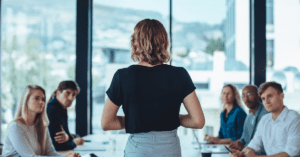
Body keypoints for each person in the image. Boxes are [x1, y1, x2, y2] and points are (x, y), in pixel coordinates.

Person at [101, 19, 205, 157]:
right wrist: (170, 118)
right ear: (164, 43)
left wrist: (137, 119)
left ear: (135, 42)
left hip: (137, 149)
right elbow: (198, 121)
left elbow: (106, 123)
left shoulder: (122, 76)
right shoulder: (180, 74)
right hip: (169, 149)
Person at [2, 85, 80, 157]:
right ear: (26, 100)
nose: (41, 102)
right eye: (36, 98)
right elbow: (30, 156)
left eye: (43, 99)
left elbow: (51, 152)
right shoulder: (15, 127)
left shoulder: (42, 126)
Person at [232, 82, 300, 157]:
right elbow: (254, 145)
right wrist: (241, 153)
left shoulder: (294, 118)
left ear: (281, 96)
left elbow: (290, 153)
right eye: (263, 98)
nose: (266, 102)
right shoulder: (265, 119)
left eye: (270, 96)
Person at [229, 85, 268, 154]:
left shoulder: (266, 114)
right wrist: (238, 143)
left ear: (258, 95)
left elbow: (265, 145)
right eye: (243, 95)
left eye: (249, 94)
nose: (246, 99)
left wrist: (244, 147)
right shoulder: (249, 117)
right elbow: (243, 139)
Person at [47, 81, 85, 151]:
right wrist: (74, 142)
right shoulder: (52, 109)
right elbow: (57, 145)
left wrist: (69, 137)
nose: (71, 98)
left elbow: (66, 134)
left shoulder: (62, 108)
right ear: (58, 93)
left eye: (74, 95)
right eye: (67, 93)